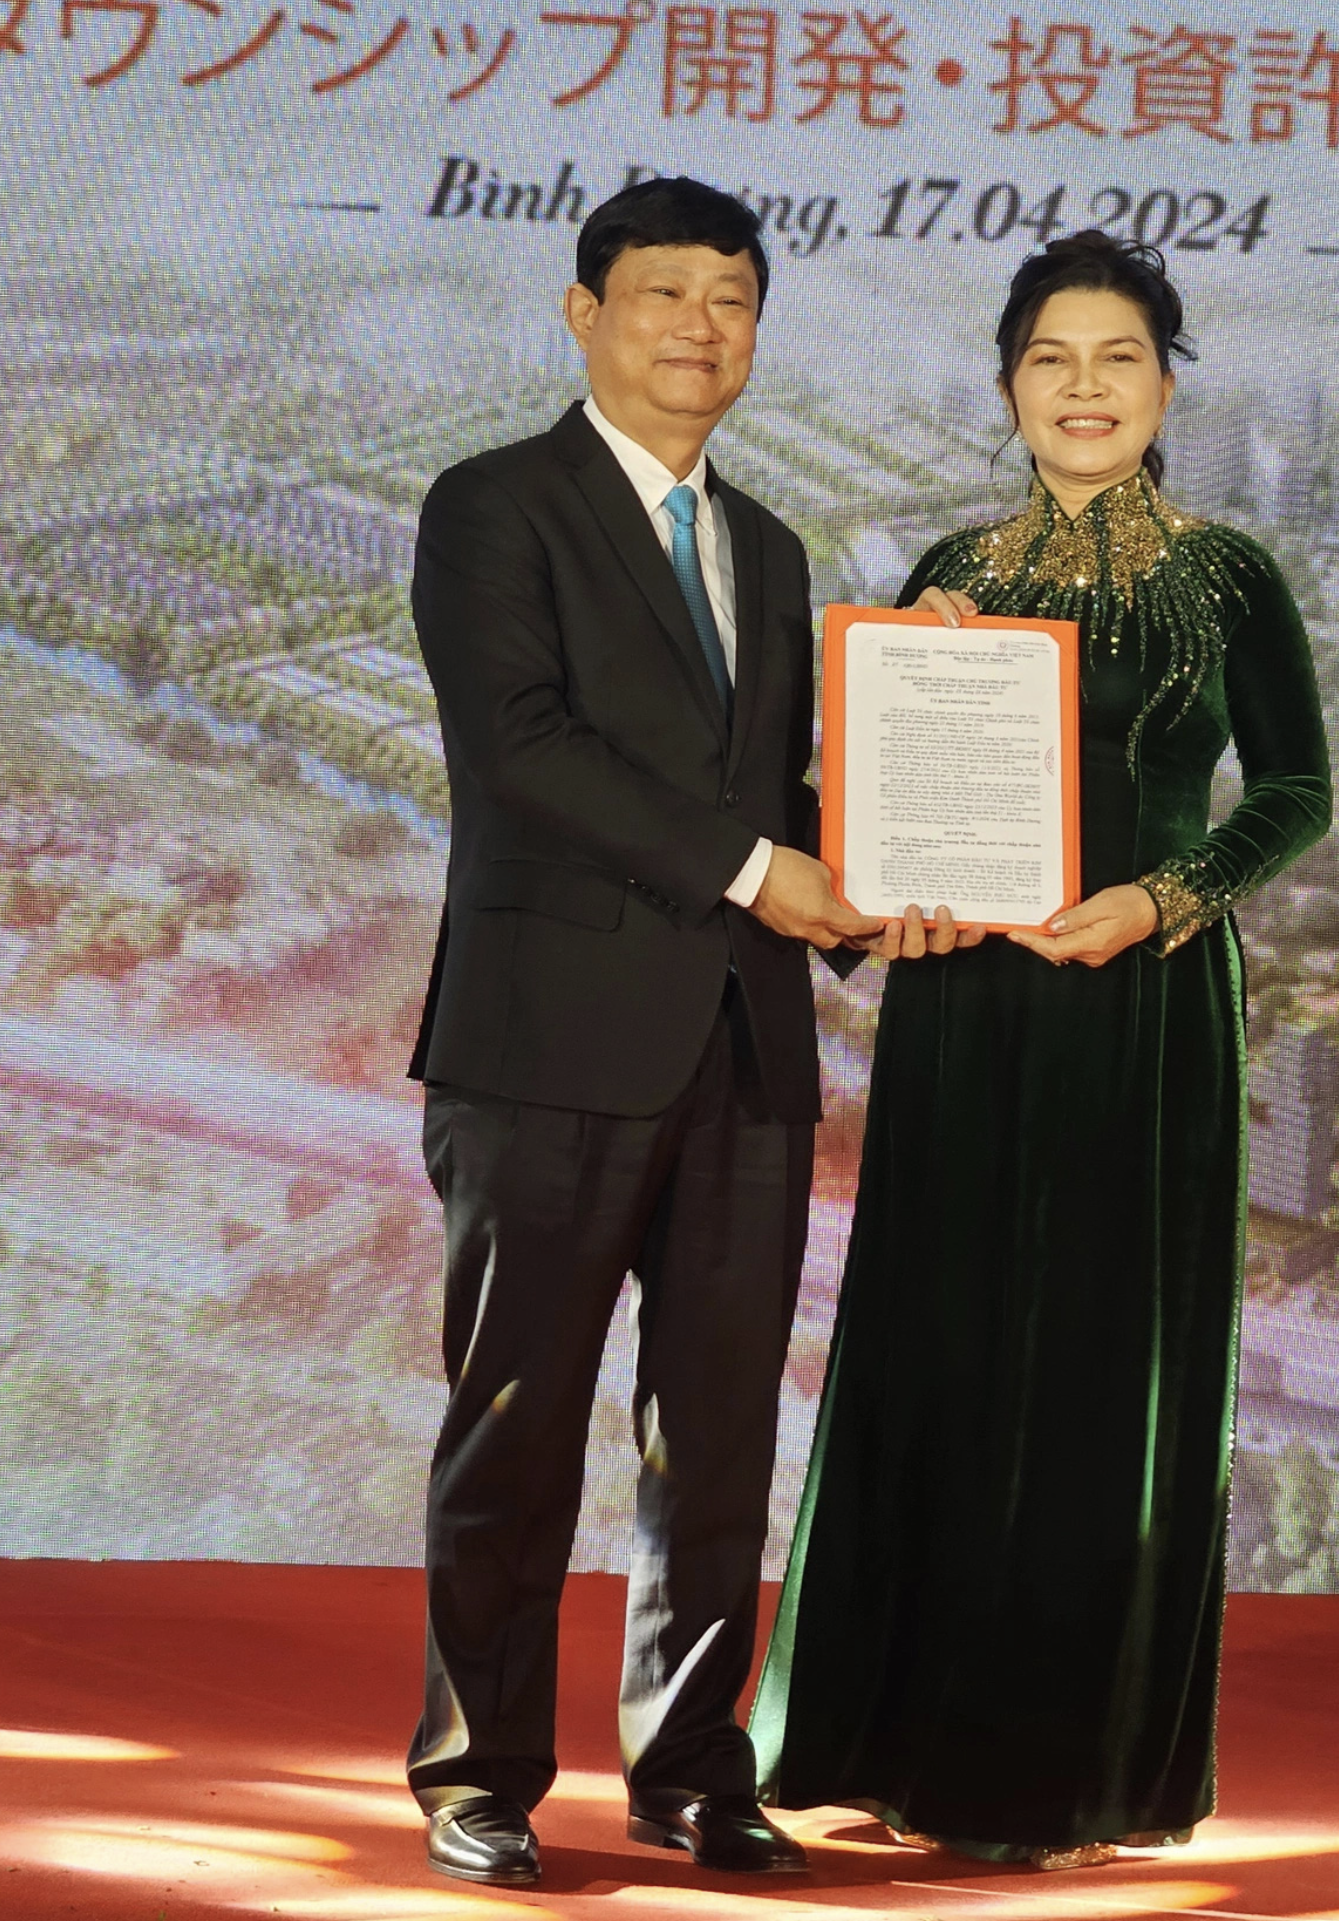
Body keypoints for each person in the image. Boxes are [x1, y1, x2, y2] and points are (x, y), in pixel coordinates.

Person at [748, 231, 1334, 1868]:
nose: (1086, 389)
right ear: (1010, 384)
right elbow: (866, 805)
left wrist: (1165, 897)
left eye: (1121, 357)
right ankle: (881, 1735)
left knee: (1098, 1365)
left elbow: (1297, 795)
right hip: (966, 1002)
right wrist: (886, 848)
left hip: (1140, 1006)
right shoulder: (950, 563)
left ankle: (1062, 1770)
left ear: (1167, 382)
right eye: (1052, 360)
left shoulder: (1232, 575)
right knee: (938, 1337)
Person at [401, 176, 958, 1889]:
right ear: (586, 314)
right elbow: (526, 748)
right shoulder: (494, 506)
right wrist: (760, 866)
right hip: (546, 1043)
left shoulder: (773, 548)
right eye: (663, 294)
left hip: (743, 1049)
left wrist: (903, 839)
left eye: (731, 298)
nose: (699, 328)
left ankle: (695, 1765)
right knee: (516, 1412)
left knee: (715, 1432)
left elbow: (771, 795)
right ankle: (478, 1768)